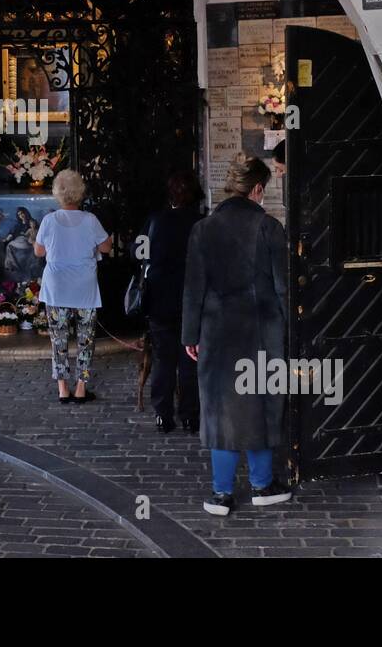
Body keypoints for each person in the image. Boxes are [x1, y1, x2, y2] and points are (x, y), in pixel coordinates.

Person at [183, 154, 292, 515]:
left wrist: (190, 335)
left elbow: (193, 289)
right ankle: (262, 486)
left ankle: (221, 494)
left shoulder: (202, 229)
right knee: (260, 406)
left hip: (215, 332)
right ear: (257, 188)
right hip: (261, 330)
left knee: (220, 409)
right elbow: (282, 288)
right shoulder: (269, 228)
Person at [33, 169, 112, 403]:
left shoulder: (49, 220)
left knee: (58, 340)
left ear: (58, 193)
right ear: (80, 193)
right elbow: (106, 247)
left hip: (56, 288)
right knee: (85, 339)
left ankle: (62, 389)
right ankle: (80, 388)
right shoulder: (90, 220)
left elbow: (38, 251)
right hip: (84, 289)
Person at [142, 170, 203, 434]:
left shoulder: (155, 221)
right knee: (191, 360)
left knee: (163, 359)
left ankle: (163, 414)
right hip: (192, 299)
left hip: (160, 298)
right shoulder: (201, 224)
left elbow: (139, 252)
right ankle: (190, 415)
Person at [2, 206, 45, 280]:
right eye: (19, 214)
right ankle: (12, 265)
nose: (21, 215)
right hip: (21, 241)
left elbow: (39, 233)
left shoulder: (32, 222)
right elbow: (12, 233)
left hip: (28, 242)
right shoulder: (18, 224)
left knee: (12, 244)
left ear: (26, 213)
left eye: (22, 213)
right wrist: (6, 239)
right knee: (9, 246)